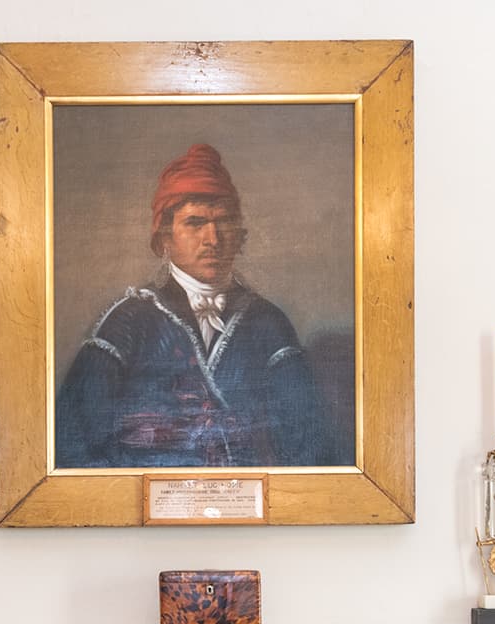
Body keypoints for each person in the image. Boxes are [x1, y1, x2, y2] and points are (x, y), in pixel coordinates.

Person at [55, 143, 336, 468]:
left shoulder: (269, 324)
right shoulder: (126, 322)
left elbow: (312, 445)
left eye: (224, 223)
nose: (213, 239)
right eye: (195, 223)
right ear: (164, 238)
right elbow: (72, 442)